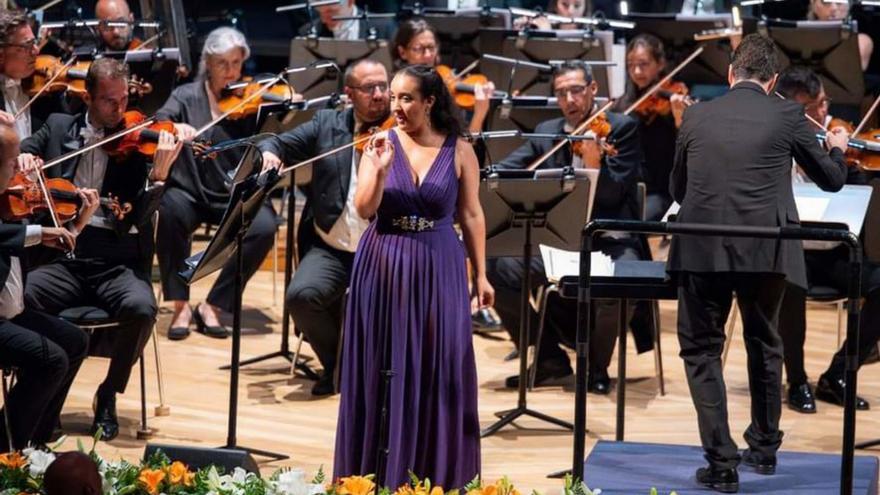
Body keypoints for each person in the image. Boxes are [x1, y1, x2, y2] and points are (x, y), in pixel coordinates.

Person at [668, 34, 849, 492]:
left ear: (732, 74)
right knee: (764, 344)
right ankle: (765, 450)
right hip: (765, 248)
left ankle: (721, 462)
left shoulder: (696, 113)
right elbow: (831, 180)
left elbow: (677, 189)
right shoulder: (790, 114)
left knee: (702, 352)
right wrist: (839, 148)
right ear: (772, 82)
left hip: (701, 247)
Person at [332, 64, 492, 489]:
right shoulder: (379, 142)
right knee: (382, 367)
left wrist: (482, 274)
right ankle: (371, 476)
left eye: (406, 98)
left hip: (440, 267)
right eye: (393, 97)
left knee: (439, 369)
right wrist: (381, 170)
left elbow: (472, 213)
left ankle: (432, 476)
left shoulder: (460, 150)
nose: (395, 106)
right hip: (384, 262)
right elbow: (364, 210)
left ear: (430, 102)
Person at [18, 57, 182, 441]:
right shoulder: (59, 127)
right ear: (87, 97)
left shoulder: (137, 140)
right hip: (65, 255)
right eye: (110, 101)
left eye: (124, 99)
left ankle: (108, 393)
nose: (120, 109)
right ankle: (45, 397)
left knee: (142, 309)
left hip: (117, 259)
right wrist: (26, 156)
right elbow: (27, 147)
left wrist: (157, 178)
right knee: (24, 297)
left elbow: (141, 218)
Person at [488, 61, 650, 394]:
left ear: (592, 90)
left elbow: (615, 193)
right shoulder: (550, 132)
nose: (570, 99)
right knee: (496, 272)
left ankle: (596, 364)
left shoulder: (620, 128)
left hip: (610, 240)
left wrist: (593, 163)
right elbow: (507, 170)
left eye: (576, 90)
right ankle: (548, 358)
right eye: (561, 92)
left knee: (625, 283)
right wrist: (479, 173)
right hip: (560, 242)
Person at [259, 59, 391, 396]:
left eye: (383, 86)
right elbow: (277, 141)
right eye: (368, 88)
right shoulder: (328, 123)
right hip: (332, 246)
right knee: (300, 298)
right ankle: (338, 364)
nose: (379, 95)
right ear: (349, 93)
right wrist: (270, 154)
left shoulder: (402, 130)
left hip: (384, 249)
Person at [155, 26, 278, 340]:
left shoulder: (248, 100)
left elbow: (268, 135)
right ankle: (180, 303)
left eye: (236, 63)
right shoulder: (185, 96)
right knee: (169, 211)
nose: (231, 71)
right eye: (223, 64)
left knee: (263, 226)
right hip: (192, 191)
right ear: (207, 63)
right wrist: (176, 126)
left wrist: (267, 151)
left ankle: (216, 304)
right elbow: (160, 120)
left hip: (233, 193)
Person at [774, 66, 878, 414]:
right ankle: (797, 379)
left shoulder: (839, 140)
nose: (821, 113)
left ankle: (838, 373)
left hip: (835, 252)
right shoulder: (774, 144)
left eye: (822, 104)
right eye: (810, 109)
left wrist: (850, 163)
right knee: (790, 284)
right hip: (792, 251)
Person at [0, 123, 94, 450]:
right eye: (14, 162)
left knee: (74, 342)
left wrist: (76, 224)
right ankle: (5, 447)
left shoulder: (11, 204)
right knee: (51, 360)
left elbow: (30, 258)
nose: (21, 169)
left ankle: (35, 442)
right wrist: (41, 232)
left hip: (13, 314)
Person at [614, 33, 689, 221]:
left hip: (661, 190)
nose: (637, 71)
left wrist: (680, 121)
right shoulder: (622, 104)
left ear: (660, 64)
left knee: (639, 218)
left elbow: (687, 151)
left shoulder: (673, 99)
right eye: (631, 65)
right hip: (627, 187)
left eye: (643, 64)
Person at [390, 18, 493, 135]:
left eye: (431, 48)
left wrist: (480, 113)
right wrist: (479, 115)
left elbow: (465, 145)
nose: (428, 55)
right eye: (418, 49)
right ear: (402, 52)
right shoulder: (395, 89)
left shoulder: (441, 88)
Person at [0, 9, 66, 139]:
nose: (36, 51)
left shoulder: (46, 89)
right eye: (27, 46)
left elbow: (63, 138)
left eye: (34, 43)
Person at [808, 0, 873, 71]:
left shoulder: (861, 41)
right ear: (813, 4)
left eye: (839, 2)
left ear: (848, 6)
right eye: (826, 2)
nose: (833, 8)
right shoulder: (800, 37)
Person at [298, 0, 397, 39]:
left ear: (350, 2)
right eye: (321, 12)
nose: (325, 19)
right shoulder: (308, 32)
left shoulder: (384, 28)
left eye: (331, 12)